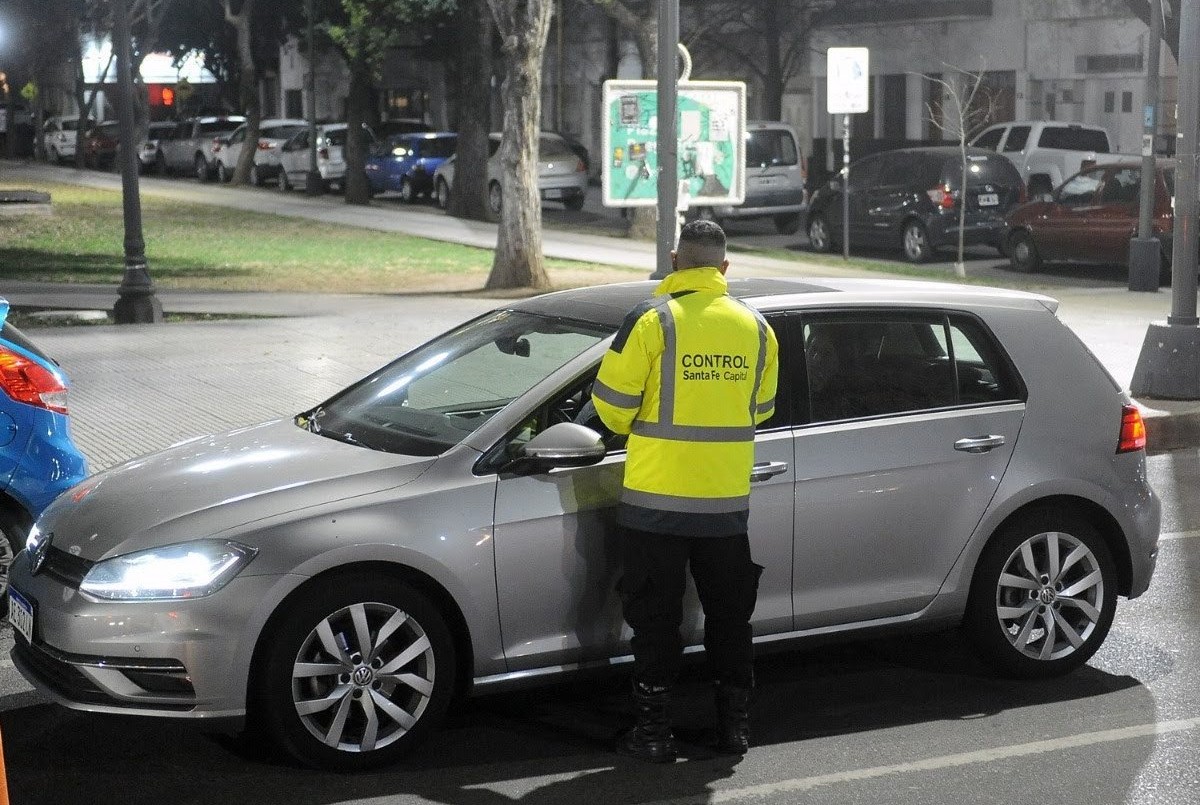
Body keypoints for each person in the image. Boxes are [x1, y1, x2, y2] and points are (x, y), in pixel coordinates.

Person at [591, 219, 779, 763]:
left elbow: (611, 410)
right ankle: (734, 731)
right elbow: (761, 409)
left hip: (655, 507)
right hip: (725, 509)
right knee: (729, 619)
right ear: (724, 268)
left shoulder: (650, 321)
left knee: (654, 622)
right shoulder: (757, 327)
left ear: (675, 261)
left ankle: (653, 734)